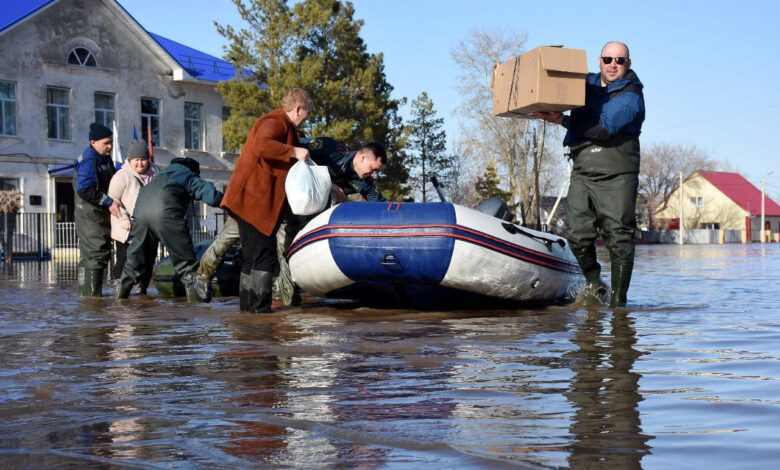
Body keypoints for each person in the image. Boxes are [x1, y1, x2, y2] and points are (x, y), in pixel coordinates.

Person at [191, 137, 388, 304]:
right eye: (372, 168)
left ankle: (289, 303)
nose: (373, 174)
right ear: (362, 157)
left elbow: (381, 206)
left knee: (285, 249)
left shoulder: (365, 182)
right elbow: (294, 149)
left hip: (293, 210)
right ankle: (202, 275)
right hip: (269, 196)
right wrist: (327, 183)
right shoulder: (331, 149)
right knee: (230, 235)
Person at [534, 41, 645, 308]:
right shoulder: (587, 84)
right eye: (608, 59)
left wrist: (562, 119)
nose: (613, 65)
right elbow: (558, 83)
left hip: (617, 175)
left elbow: (601, 129)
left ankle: (619, 304)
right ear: (599, 61)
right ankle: (594, 283)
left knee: (618, 236)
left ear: (628, 64)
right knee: (575, 232)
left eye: (619, 60)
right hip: (583, 170)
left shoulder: (631, 97)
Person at [219, 88, 312, 313]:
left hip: (247, 201)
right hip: (254, 202)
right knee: (264, 256)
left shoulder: (283, 125)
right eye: (307, 113)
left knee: (251, 257)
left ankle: (248, 312)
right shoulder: (276, 122)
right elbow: (262, 145)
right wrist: (294, 151)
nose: (307, 118)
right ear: (299, 109)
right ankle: (260, 313)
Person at [115, 157, 223, 301]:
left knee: (132, 265)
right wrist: (232, 202)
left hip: (140, 216)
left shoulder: (157, 178)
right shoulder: (187, 175)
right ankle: (197, 313)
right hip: (167, 215)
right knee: (188, 267)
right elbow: (211, 197)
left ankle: (119, 303)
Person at [73, 122, 123, 297]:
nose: (109, 147)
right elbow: (84, 189)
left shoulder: (103, 158)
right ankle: (92, 300)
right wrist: (108, 202)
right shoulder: (89, 160)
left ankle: (87, 297)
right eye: (106, 143)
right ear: (93, 142)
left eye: (111, 143)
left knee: (94, 254)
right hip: (89, 215)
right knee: (96, 253)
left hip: (98, 214)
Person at [108, 139, 156, 289]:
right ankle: (119, 286)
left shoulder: (156, 173)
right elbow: (112, 201)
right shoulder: (121, 176)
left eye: (143, 160)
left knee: (147, 258)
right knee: (125, 257)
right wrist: (124, 218)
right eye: (137, 160)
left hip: (148, 226)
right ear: (129, 160)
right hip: (126, 227)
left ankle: (142, 288)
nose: (140, 164)